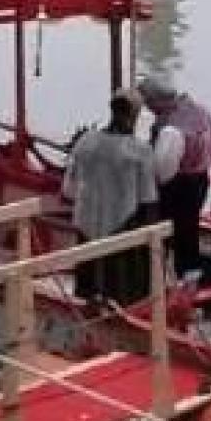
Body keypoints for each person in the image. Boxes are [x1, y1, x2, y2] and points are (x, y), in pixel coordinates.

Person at [62, 93, 158, 306]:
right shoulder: (140, 151)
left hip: (86, 220)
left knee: (86, 277)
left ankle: (84, 303)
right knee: (120, 285)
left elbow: (68, 189)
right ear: (134, 115)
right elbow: (148, 197)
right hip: (122, 223)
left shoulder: (86, 141)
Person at [135, 74, 211, 280]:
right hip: (201, 178)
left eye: (148, 103)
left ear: (156, 101)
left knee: (174, 233)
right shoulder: (201, 111)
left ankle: (174, 276)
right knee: (189, 229)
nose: (147, 108)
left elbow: (163, 173)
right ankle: (190, 269)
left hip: (180, 187)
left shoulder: (171, 129)